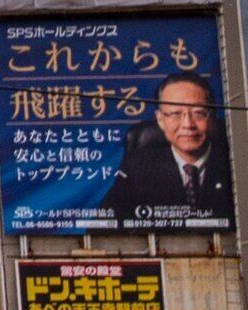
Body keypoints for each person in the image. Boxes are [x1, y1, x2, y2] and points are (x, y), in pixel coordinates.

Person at [95, 74, 234, 226]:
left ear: (212, 117)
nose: (188, 124)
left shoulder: (234, 159)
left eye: (198, 113)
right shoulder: (137, 167)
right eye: (175, 114)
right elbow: (102, 226)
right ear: (161, 120)